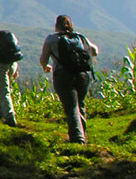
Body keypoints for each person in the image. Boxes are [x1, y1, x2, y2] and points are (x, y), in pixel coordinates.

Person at [39, 14, 100, 144]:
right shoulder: (79, 37)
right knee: (80, 105)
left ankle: (77, 139)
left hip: (63, 75)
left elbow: (43, 58)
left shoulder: (51, 39)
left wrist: (46, 67)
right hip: (82, 74)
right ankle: (83, 134)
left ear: (56, 26)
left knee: (71, 106)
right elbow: (95, 51)